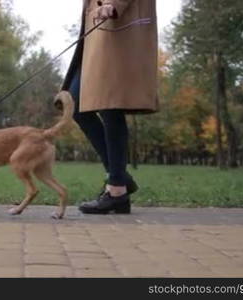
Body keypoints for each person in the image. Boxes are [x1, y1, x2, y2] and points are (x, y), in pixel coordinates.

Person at [61, 0, 158, 214]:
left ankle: (116, 189)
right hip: (99, 31)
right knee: (76, 105)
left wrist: (113, 4)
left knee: (110, 104)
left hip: (118, 27)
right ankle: (119, 179)